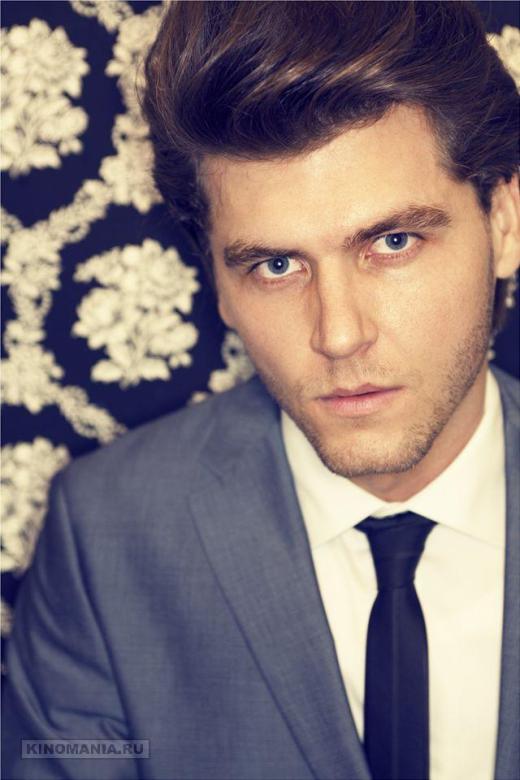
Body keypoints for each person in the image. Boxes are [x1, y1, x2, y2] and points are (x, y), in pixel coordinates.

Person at [2, 2, 519, 779]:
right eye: (275, 266)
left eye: (393, 241)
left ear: (504, 223)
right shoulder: (108, 536)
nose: (338, 334)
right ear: (216, 278)